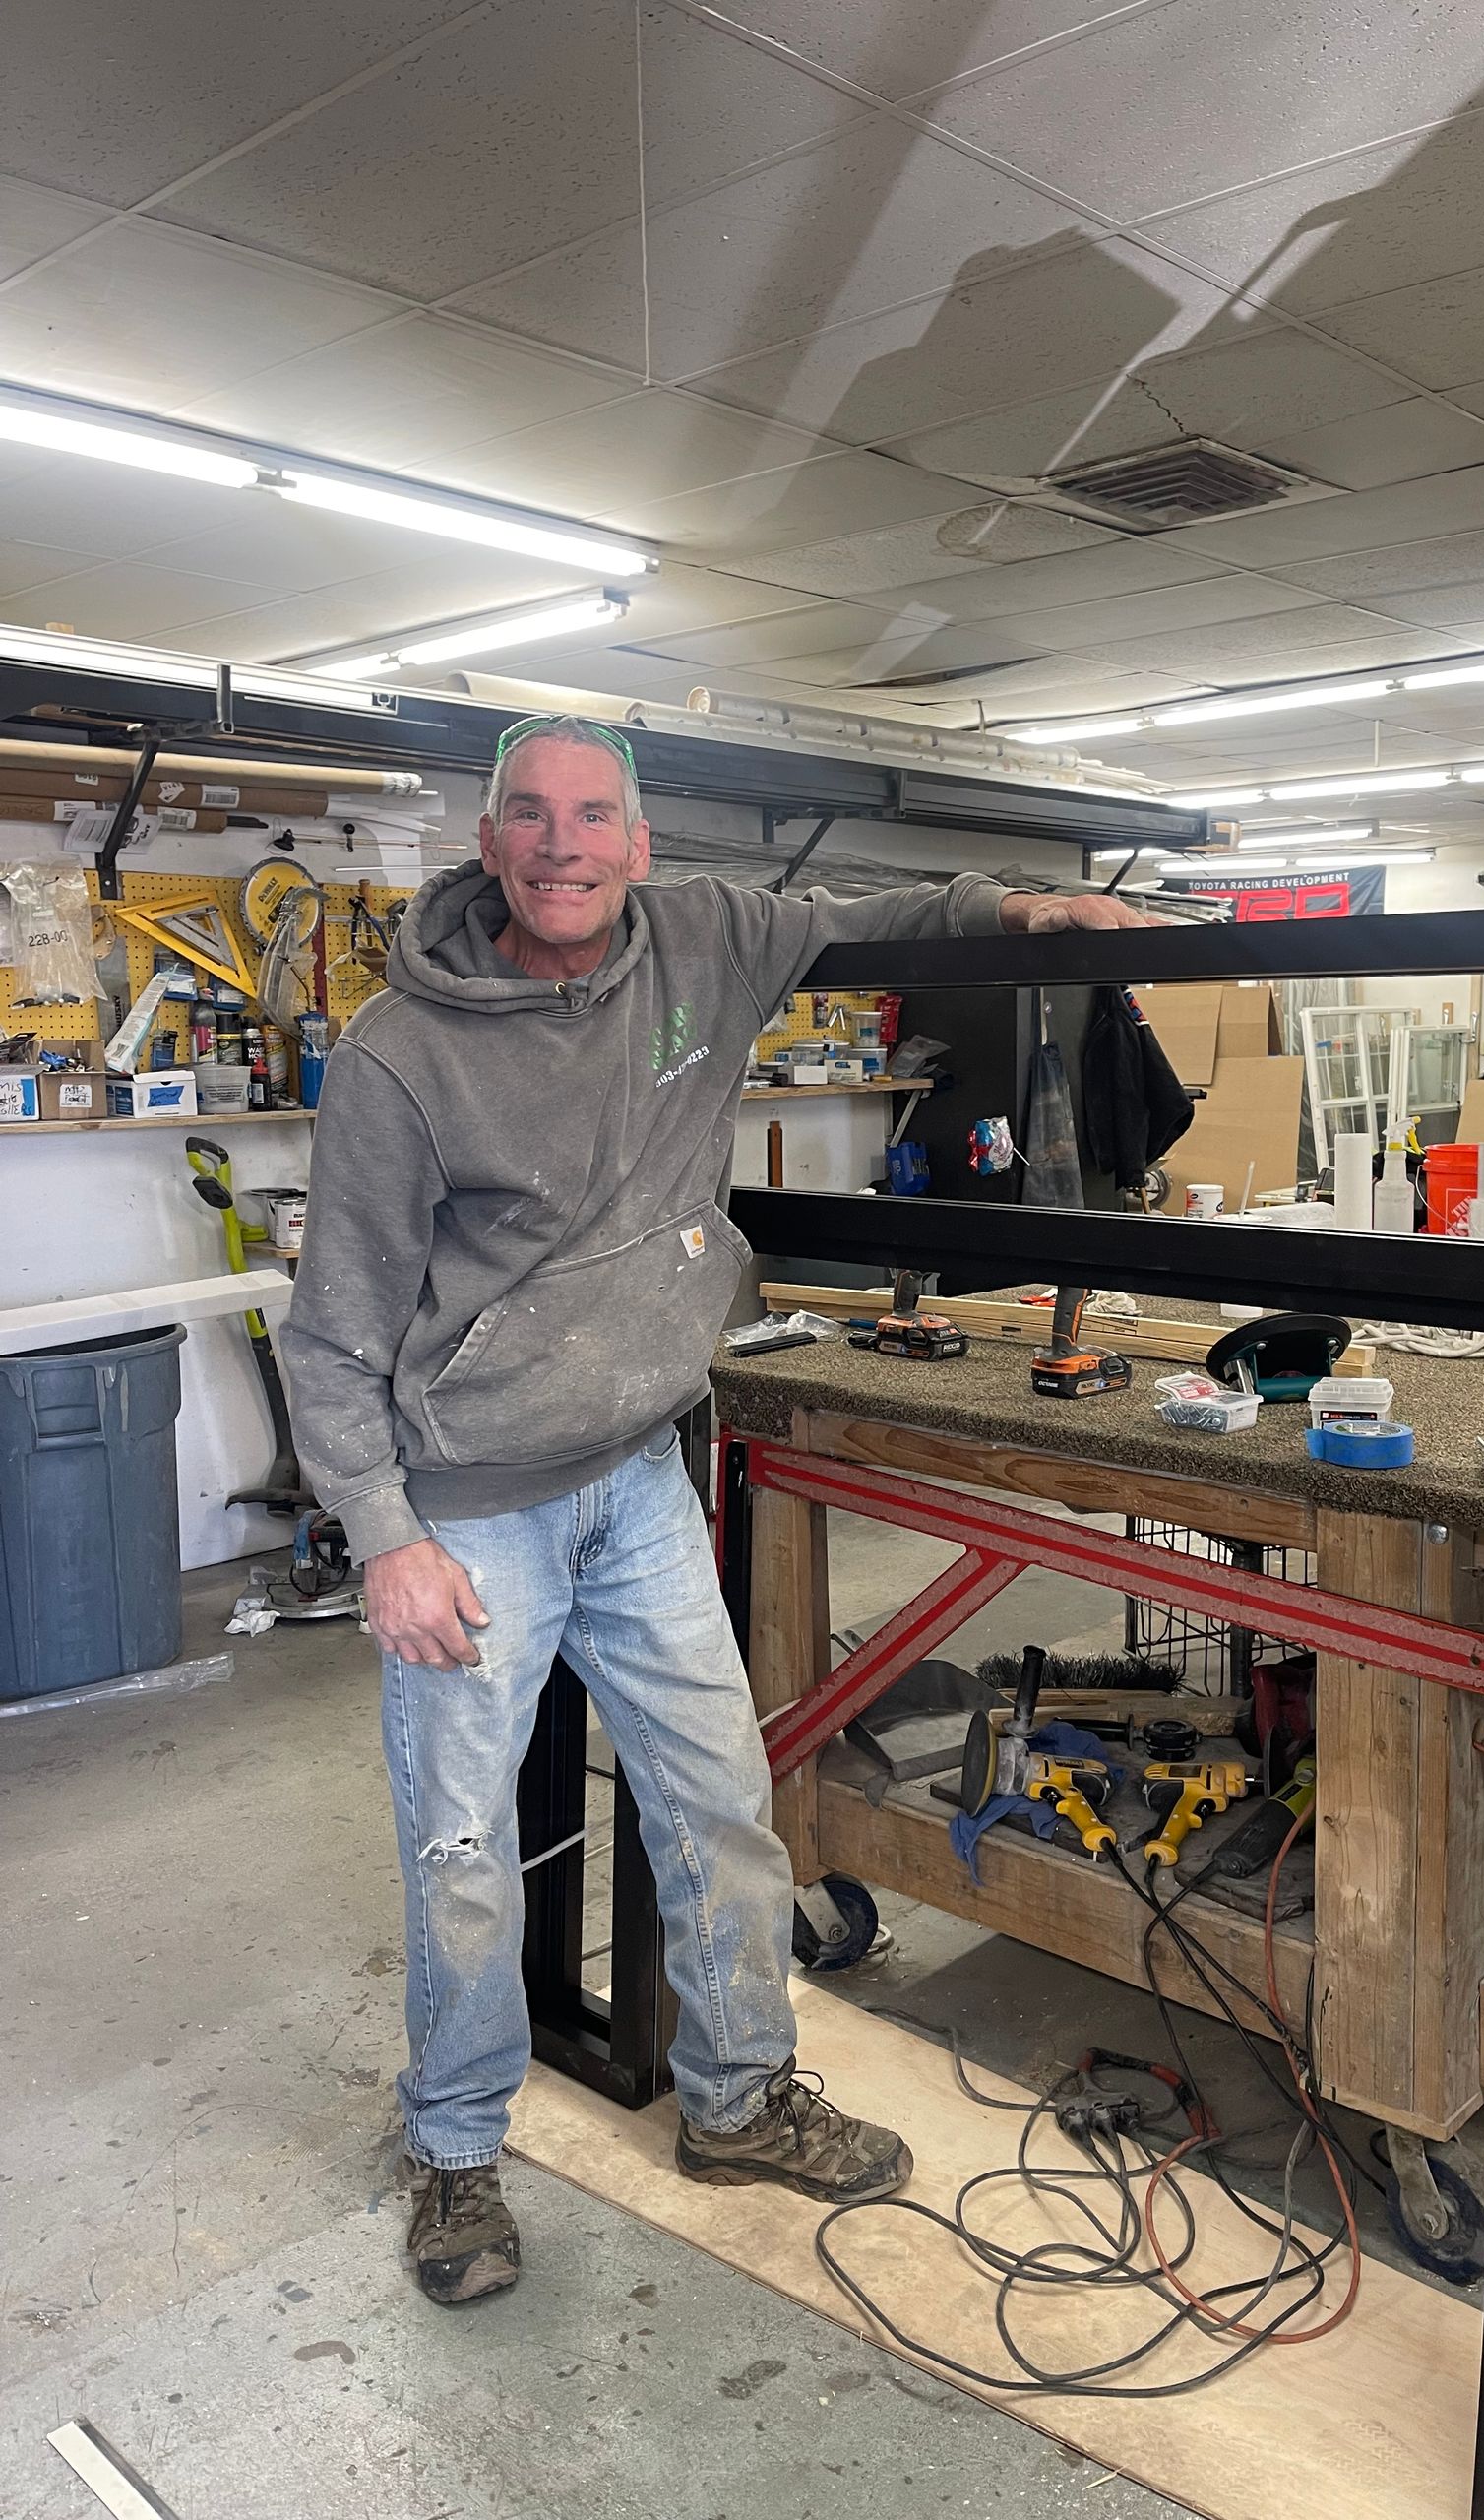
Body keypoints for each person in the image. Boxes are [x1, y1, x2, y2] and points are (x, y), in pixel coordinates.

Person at [282, 712, 1149, 2306]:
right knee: (463, 1849)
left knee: (720, 1802)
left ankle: (740, 2099)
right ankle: (456, 2148)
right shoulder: (402, 1053)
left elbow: (876, 916)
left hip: (639, 1476)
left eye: (591, 816)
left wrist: (1020, 909)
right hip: (472, 1510)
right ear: (490, 841)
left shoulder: (706, 938)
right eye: (530, 815)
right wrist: (384, 1533)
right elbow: (333, 1326)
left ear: (639, 843)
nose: (562, 845)